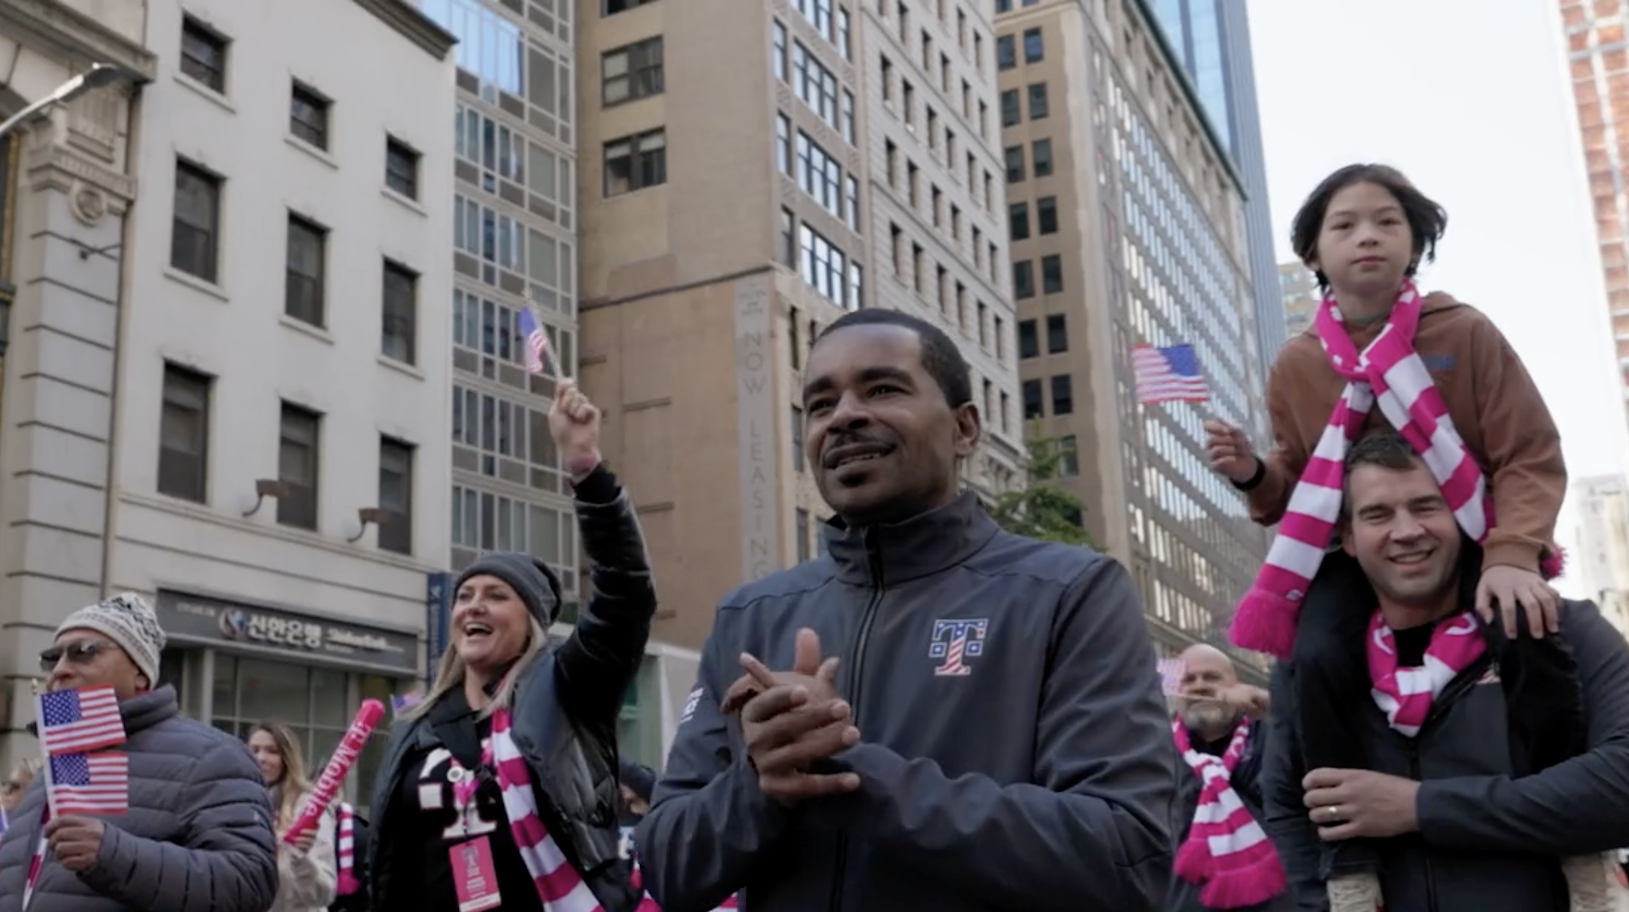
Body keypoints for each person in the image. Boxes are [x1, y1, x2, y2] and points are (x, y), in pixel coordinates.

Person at [637, 308, 1176, 912]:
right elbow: (666, 867)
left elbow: (1125, 856)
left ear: (964, 429)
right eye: (820, 404)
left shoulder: (1071, 592)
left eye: (882, 388)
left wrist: (849, 772)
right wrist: (763, 784)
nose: (843, 416)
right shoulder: (752, 614)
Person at [1203, 165, 1583, 909]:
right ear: (1313, 254)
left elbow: (1527, 454)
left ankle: (1579, 847)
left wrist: (1509, 556)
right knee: (1311, 656)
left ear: (1414, 245)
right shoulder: (1297, 363)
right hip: (1354, 553)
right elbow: (1297, 483)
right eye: (1342, 226)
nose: (1366, 237)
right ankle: (1350, 860)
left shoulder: (1462, 332)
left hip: (1475, 535)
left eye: (1386, 221)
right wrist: (1252, 473)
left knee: (1531, 632)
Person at [1260, 432, 1629, 912]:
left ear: (1461, 515)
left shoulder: (1563, 629)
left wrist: (1419, 807)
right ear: (1348, 538)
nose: (1406, 529)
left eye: (1426, 506)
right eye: (1378, 514)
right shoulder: (1309, 667)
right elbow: (1288, 812)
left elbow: (1621, 782)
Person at [366, 379, 656, 912]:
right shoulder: (416, 727)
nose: (473, 606)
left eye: (496, 596)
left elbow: (626, 595)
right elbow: (388, 861)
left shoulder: (565, 693)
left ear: (531, 623)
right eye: (465, 596)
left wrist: (587, 470)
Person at [0, 593, 278, 912]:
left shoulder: (211, 755)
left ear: (140, 672)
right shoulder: (56, 766)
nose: (59, 669)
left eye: (83, 652)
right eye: (51, 658)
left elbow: (249, 883)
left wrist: (113, 854)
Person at [1162, 645, 1290, 912]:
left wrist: (1270, 705)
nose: (1200, 687)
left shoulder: (1273, 734)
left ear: (1237, 686)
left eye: (1212, 678)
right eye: (1188, 680)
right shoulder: (1156, 751)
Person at [247, 723, 335, 912]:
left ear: (287, 757)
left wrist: (300, 858)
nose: (261, 758)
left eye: (272, 751)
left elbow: (322, 894)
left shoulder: (309, 806)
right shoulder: (236, 801)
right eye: (254, 750)